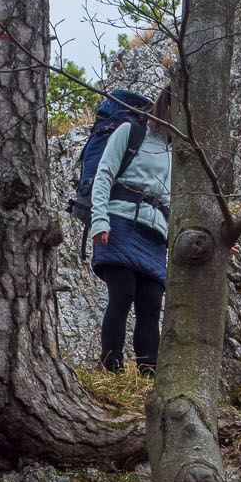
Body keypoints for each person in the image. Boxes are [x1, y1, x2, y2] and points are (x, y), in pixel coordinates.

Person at [90, 84, 172, 374]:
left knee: (150, 305)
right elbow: (104, 174)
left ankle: (149, 376)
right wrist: (99, 219)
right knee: (122, 294)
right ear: (169, 105)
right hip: (119, 222)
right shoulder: (132, 131)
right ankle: (111, 367)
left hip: (156, 236)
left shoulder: (181, 151)